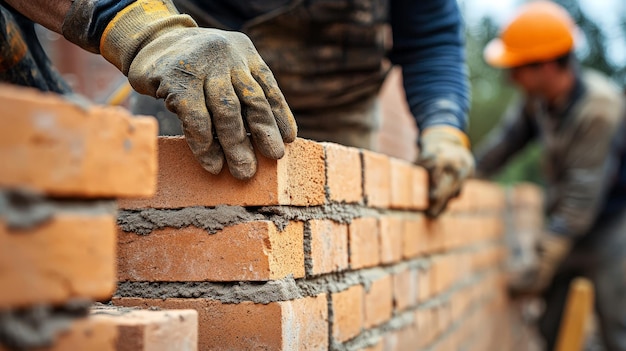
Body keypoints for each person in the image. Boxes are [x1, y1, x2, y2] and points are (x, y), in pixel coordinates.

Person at [0, 0, 473, 217]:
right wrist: (141, 30)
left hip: (336, 107)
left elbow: (431, 37)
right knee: (151, 226)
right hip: (188, 75)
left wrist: (445, 127)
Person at [474, 1, 626, 350]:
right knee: (550, 324)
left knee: (616, 326)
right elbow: (505, 143)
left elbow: (581, 199)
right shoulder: (538, 100)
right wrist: (468, 173)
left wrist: (542, 261)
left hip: (612, 226)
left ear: (545, 66)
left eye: (516, 68)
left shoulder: (599, 109)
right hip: (568, 222)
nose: (511, 77)